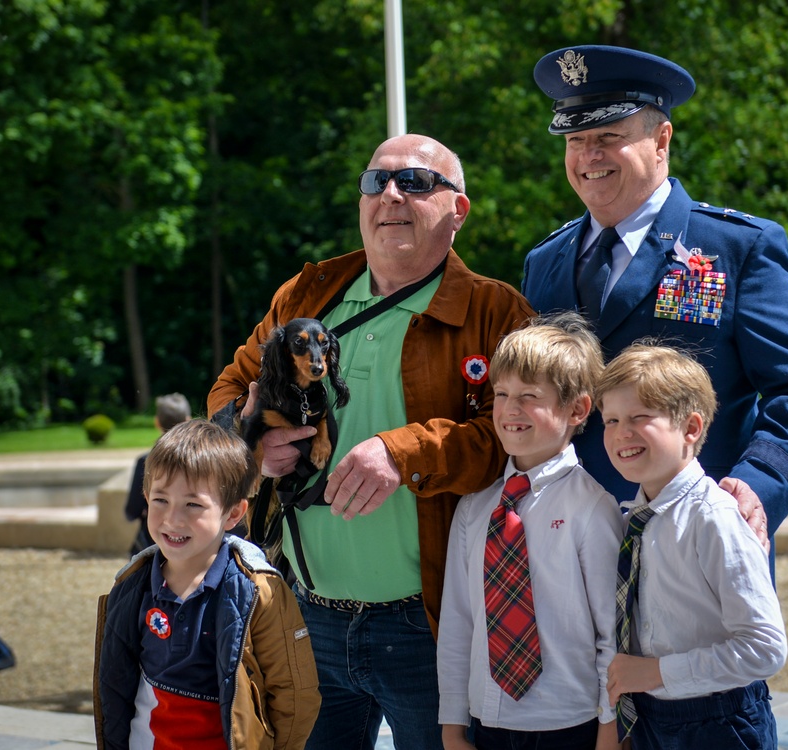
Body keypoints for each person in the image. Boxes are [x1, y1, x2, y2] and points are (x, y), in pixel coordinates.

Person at [208, 134, 534, 749]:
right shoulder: (305, 296)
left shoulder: (497, 312)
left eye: (414, 182)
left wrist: (403, 451)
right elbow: (232, 385)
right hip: (304, 616)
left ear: (457, 210)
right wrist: (248, 442)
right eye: (375, 182)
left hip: (429, 626)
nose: (389, 195)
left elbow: (516, 437)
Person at [523, 45, 788, 560]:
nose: (588, 156)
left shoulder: (736, 247)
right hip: (566, 549)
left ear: (661, 140)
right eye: (575, 140)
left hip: (695, 539)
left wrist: (754, 487)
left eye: (608, 137)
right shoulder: (546, 260)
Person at [438, 312, 623, 750]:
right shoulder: (474, 508)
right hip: (487, 722)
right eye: (501, 394)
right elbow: (459, 622)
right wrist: (451, 723)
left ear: (577, 409)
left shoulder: (593, 508)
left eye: (529, 396)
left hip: (569, 723)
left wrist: (609, 728)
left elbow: (612, 633)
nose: (510, 410)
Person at [597, 343, 787, 749]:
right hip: (652, 717)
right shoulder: (633, 519)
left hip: (721, 723)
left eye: (639, 417)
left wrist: (656, 673)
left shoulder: (714, 517)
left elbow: (764, 649)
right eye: (610, 419)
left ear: (691, 428)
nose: (620, 433)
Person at [94, 419, 321, 749]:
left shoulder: (259, 593)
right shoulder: (131, 588)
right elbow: (116, 687)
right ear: (145, 499)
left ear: (233, 514)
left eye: (193, 504)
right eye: (161, 500)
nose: (173, 519)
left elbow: (294, 696)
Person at [124, 392, 192, 556]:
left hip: (152, 546)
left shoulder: (145, 461)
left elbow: (131, 512)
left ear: (157, 422)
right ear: (188, 420)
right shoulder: (201, 463)